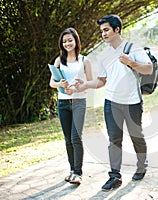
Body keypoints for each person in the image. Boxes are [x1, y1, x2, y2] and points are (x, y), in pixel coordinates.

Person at [74, 14, 153, 191]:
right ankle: (114, 176)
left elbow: (149, 69)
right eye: (101, 31)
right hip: (111, 103)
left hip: (132, 102)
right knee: (114, 140)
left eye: (106, 30)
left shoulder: (133, 48)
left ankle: (142, 165)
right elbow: (102, 81)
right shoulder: (104, 55)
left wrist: (131, 62)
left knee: (136, 136)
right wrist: (85, 84)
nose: (103, 34)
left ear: (117, 29)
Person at [49, 27, 93, 184]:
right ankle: (72, 170)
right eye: (64, 41)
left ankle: (78, 173)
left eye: (70, 40)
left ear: (76, 41)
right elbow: (51, 83)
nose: (67, 43)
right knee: (68, 138)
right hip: (63, 103)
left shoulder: (84, 60)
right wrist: (59, 83)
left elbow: (90, 82)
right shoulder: (59, 61)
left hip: (79, 102)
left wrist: (80, 85)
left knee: (76, 137)